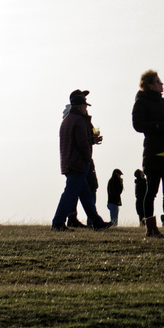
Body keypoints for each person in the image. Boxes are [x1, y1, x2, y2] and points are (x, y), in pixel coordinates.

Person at [132, 69, 164, 239]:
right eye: (158, 82)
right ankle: (151, 228)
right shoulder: (141, 102)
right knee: (152, 190)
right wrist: (159, 126)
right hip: (154, 154)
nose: (162, 85)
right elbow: (138, 124)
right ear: (149, 85)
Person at [53, 89, 108, 231]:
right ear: (81, 107)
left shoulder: (68, 120)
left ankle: (97, 222)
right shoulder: (79, 121)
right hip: (78, 163)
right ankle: (58, 223)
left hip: (69, 162)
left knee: (86, 195)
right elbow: (82, 144)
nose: (86, 109)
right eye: (85, 106)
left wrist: (90, 140)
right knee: (70, 194)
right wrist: (88, 159)